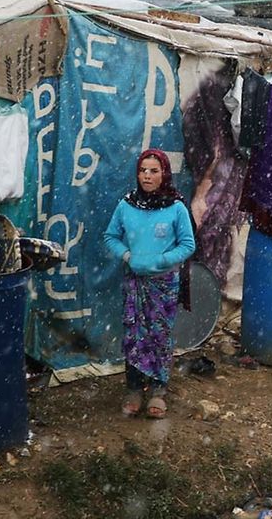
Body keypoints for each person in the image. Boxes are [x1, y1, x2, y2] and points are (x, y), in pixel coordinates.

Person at [104, 149, 195, 419]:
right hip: (134, 284)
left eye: (154, 171)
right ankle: (133, 389)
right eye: (143, 170)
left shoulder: (176, 206)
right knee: (133, 335)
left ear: (164, 173)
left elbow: (188, 244)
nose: (147, 175)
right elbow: (111, 237)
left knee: (159, 336)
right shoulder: (127, 204)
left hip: (163, 284)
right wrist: (128, 255)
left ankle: (157, 391)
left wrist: (161, 261)